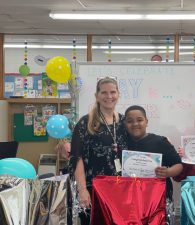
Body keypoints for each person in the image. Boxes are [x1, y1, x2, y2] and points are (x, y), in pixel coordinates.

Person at [69, 77, 128, 225]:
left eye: (113, 92)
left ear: (118, 94)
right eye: (104, 92)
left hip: (121, 189)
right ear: (97, 96)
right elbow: (77, 158)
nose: (109, 96)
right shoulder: (85, 123)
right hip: (93, 190)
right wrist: (82, 190)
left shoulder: (124, 122)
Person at [124, 105, 183, 225]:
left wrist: (168, 172)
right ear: (125, 124)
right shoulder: (121, 143)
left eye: (140, 120)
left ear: (146, 121)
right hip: (130, 201)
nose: (135, 124)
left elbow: (178, 165)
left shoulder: (160, 142)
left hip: (158, 201)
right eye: (130, 121)